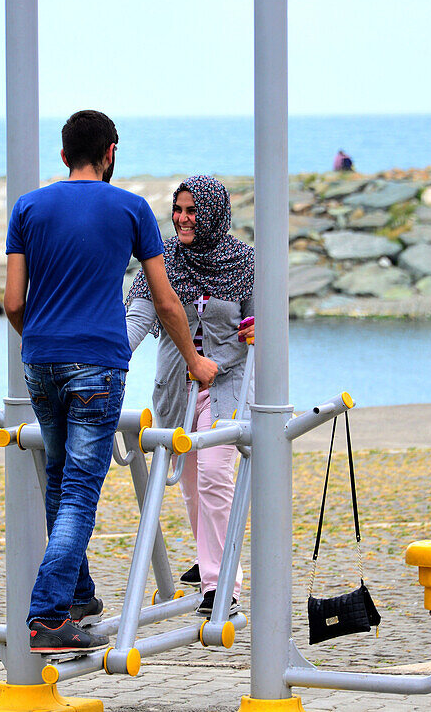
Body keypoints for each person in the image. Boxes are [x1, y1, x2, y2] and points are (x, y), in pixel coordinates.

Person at [4, 110, 218, 655]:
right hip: (98, 364)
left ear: (62, 155)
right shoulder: (131, 209)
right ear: (111, 151)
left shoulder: (27, 207)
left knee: (58, 479)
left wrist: (44, 341)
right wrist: (195, 361)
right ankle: (48, 616)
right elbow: (166, 301)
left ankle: (78, 597)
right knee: (78, 490)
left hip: (41, 360)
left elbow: (12, 302)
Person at [125, 175, 254, 617]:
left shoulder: (245, 261)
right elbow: (140, 313)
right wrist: (109, 354)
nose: (182, 219)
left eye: (192, 211)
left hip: (227, 384)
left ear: (214, 213)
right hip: (176, 388)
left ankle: (223, 585)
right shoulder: (163, 260)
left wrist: (260, 326)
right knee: (192, 484)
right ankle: (208, 560)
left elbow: (264, 318)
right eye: (178, 209)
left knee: (217, 475)